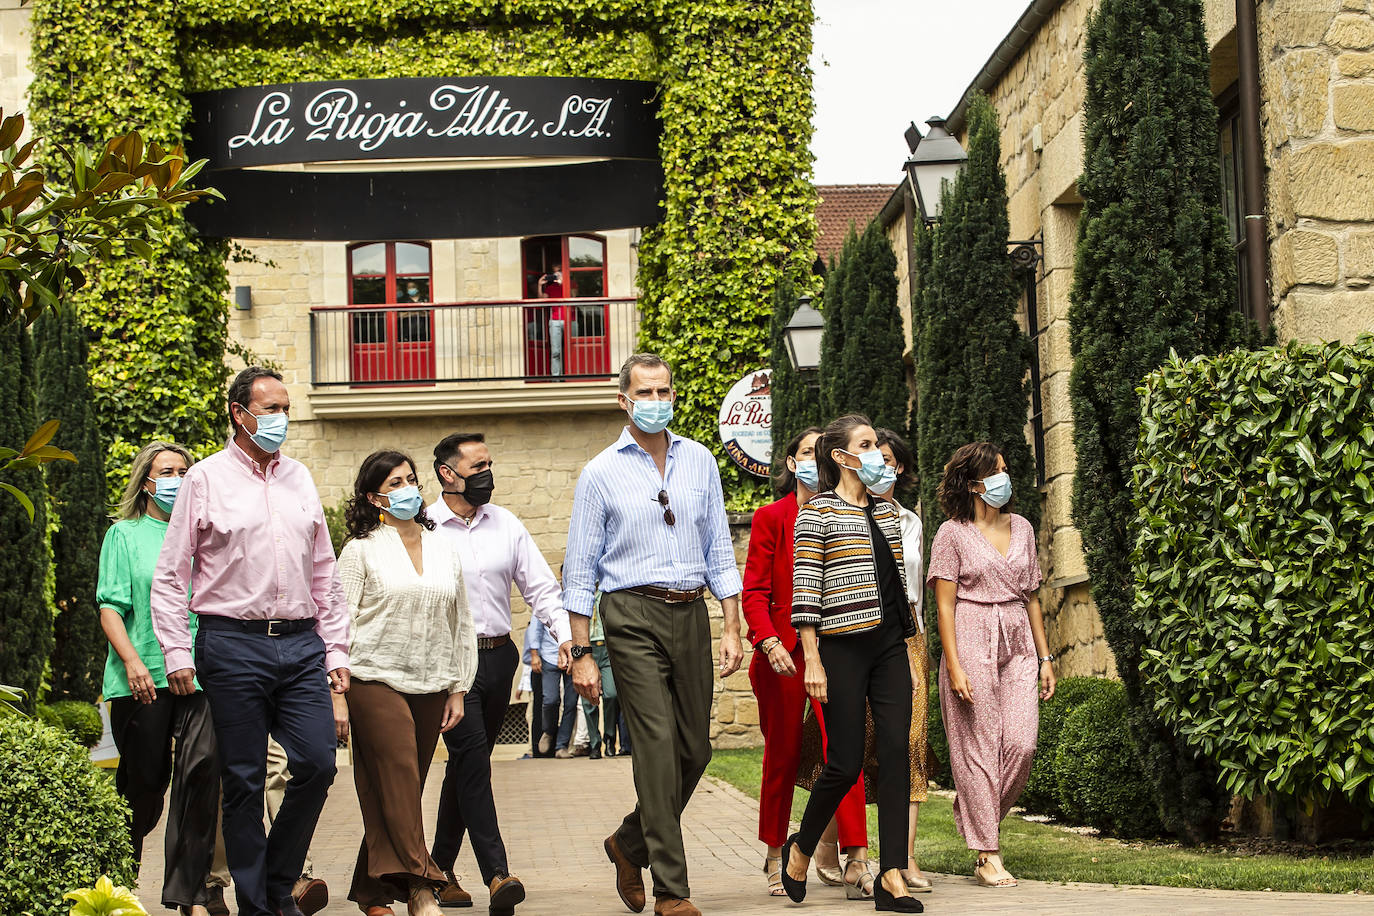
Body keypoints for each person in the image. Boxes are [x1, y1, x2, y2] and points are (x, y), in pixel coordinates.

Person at [151, 365, 351, 916]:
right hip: (231, 644)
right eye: (271, 409)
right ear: (240, 415)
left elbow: (324, 572)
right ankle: (261, 904)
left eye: (286, 408)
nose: (282, 419)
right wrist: (175, 650)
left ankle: (276, 883)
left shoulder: (301, 478)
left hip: (300, 643)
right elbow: (171, 574)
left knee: (317, 763)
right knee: (241, 781)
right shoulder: (205, 479)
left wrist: (336, 648)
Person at [562, 353, 744, 916]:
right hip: (629, 614)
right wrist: (581, 652)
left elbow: (718, 547)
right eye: (646, 392)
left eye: (665, 391)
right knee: (658, 749)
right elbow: (580, 567)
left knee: (696, 749)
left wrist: (731, 625)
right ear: (624, 400)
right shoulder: (600, 473)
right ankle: (672, 888)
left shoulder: (701, 462)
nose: (657, 401)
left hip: (690, 612)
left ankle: (628, 842)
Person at [780, 414, 923, 914]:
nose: (876, 451)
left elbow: (897, 582)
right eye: (866, 445)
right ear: (841, 457)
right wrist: (813, 659)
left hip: (887, 646)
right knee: (843, 763)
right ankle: (800, 848)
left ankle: (891, 877)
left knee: (896, 752)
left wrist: (906, 638)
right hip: (840, 646)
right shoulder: (816, 512)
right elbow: (805, 594)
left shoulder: (886, 513)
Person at [428, 432, 570, 912]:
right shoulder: (423, 526)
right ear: (448, 473)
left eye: (490, 463)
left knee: (466, 766)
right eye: (477, 465)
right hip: (450, 664)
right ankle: (497, 873)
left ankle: (439, 869)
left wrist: (567, 636)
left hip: (498, 656)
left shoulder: (505, 523)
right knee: (472, 761)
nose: (487, 473)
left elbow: (542, 588)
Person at [335, 450, 477, 916]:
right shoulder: (361, 549)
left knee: (398, 788)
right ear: (374, 496)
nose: (407, 490)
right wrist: (336, 692)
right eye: (394, 483)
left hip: (432, 678)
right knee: (397, 772)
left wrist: (458, 685)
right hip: (372, 676)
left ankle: (372, 891)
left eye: (411, 480)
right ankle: (422, 883)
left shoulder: (443, 547)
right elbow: (337, 623)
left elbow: (460, 622)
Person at [742, 427, 873, 899]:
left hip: (837, 649)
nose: (812, 460)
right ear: (790, 462)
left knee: (846, 750)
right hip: (783, 657)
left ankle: (857, 855)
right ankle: (776, 852)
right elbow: (754, 591)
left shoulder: (851, 512)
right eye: (804, 452)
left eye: (819, 453)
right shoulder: (771, 518)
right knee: (782, 754)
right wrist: (767, 640)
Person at [98, 441, 219, 916]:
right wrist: (131, 662)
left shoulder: (204, 536)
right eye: (166, 471)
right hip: (143, 675)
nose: (177, 478)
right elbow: (110, 608)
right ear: (145, 482)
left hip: (201, 674)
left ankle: (189, 894)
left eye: (184, 471)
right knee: (146, 784)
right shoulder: (125, 535)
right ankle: (117, 885)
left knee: (201, 774)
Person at [928, 442, 1055, 889]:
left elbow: (1033, 597)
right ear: (973, 483)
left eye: (1005, 469)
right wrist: (954, 665)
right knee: (979, 748)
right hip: (970, 632)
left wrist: (1045, 658)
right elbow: (944, 607)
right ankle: (988, 854)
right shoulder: (951, 533)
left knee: (1022, 744)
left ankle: (973, 812)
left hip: (1019, 638)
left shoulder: (1021, 526)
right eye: (996, 471)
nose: (1006, 477)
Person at [874, 428, 932, 894]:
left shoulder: (911, 521)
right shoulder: (842, 513)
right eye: (874, 455)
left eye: (891, 459)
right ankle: (847, 852)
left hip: (908, 633)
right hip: (860, 634)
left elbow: (915, 586)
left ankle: (904, 857)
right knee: (854, 750)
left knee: (910, 744)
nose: (883, 466)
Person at [523, 614, 576, 757]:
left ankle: (561, 746)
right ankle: (548, 730)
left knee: (570, 703)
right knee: (550, 700)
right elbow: (535, 629)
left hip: (572, 657)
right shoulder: (545, 596)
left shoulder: (574, 598)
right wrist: (534, 654)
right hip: (549, 656)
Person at [578, 596, 619, 759]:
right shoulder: (581, 591)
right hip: (588, 648)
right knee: (589, 700)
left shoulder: (606, 588)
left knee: (611, 694)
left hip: (607, 648)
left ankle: (609, 739)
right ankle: (594, 744)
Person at [538, 269, 566, 376]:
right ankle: (556, 378)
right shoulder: (550, 288)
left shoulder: (570, 285)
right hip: (555, 321)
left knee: (573, 349)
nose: (556, 277)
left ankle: (574, 377)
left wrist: (564, 283)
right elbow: (541, 300)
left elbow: (574, 295)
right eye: (554, 275)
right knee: (555, 352)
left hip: (570, 320)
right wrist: (540, 285)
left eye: (559, 274)